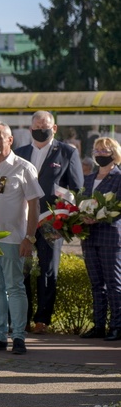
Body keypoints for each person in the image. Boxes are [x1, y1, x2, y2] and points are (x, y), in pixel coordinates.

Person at [0, 122, 43, 355]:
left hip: (14, 238)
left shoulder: (24, 167)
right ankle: (0, 336)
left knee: (15, 287)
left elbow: (34, 205)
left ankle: (19, 337)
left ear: (10, 140)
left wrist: (29, 238)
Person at [14, 110, 84, 334]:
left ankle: (42, 319)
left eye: (45, 127)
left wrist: (65, 209)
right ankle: (20, 319)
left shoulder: (67, 152)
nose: (40, 131)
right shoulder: (20, 152)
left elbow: (77, 188)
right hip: (23, 221)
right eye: (36, 127)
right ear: (30, 129)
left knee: (47, 270)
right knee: (22, 269)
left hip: (51, 222)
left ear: (54, 128)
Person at [79, 137, 121, 342]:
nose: (100, 154)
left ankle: (117, 326)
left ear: (114, 154)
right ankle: (98, 325)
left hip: (109, 236)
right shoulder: (88, 178)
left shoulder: (119, 177)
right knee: (96, 284)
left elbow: (118, 208)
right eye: (97, 150)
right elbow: (80, 202)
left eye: (104, 151)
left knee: (114, 284)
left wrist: (98, 217)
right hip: (89, 236)